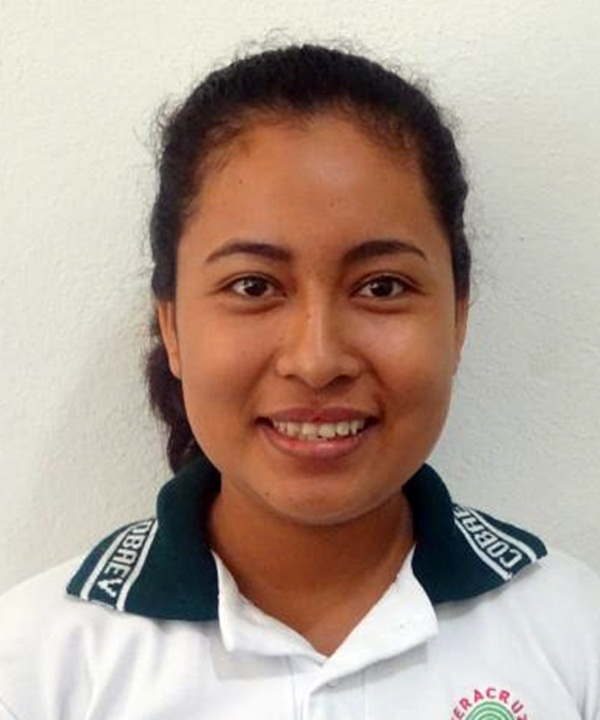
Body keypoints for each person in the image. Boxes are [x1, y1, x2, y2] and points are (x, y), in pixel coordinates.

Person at [0, 43, 598, 720]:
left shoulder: (575, 639)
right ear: (172, 326)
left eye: (382, 286)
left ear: (458, 318)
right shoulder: (37, 668)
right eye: (253, 286)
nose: (317, 360)